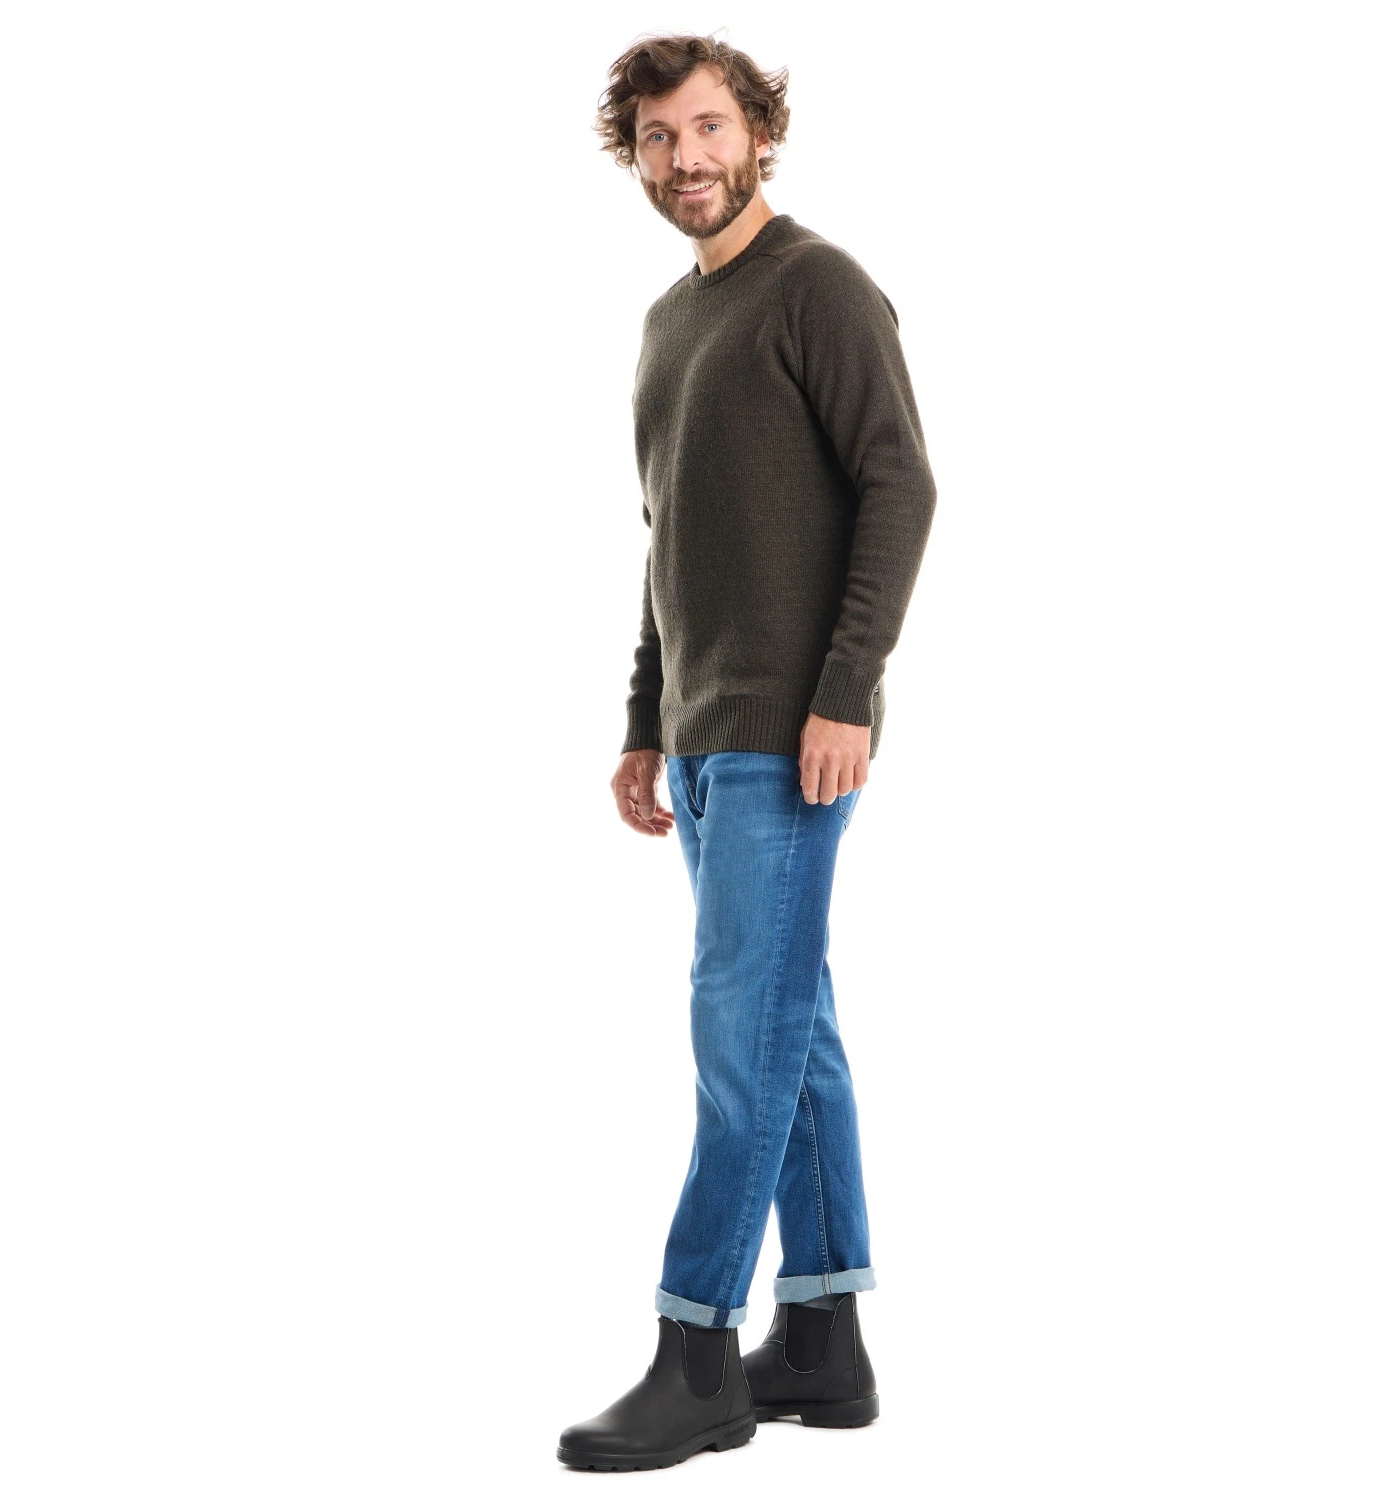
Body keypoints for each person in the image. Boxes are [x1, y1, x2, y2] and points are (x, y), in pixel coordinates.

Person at [557, 34, 938, 1471]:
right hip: (708, 741)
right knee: (792, 1027)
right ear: (636, 157)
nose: (687, 159)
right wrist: (643, 720)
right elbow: (673, 542)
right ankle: (826, 1343)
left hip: (794, 736)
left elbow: (901, 485)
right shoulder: (671, 323)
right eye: (658, 138)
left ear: (759, 133)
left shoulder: (817, 287)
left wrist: (846, 693)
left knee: (742, 1038)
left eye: (709, 127)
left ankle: (697, 1353)